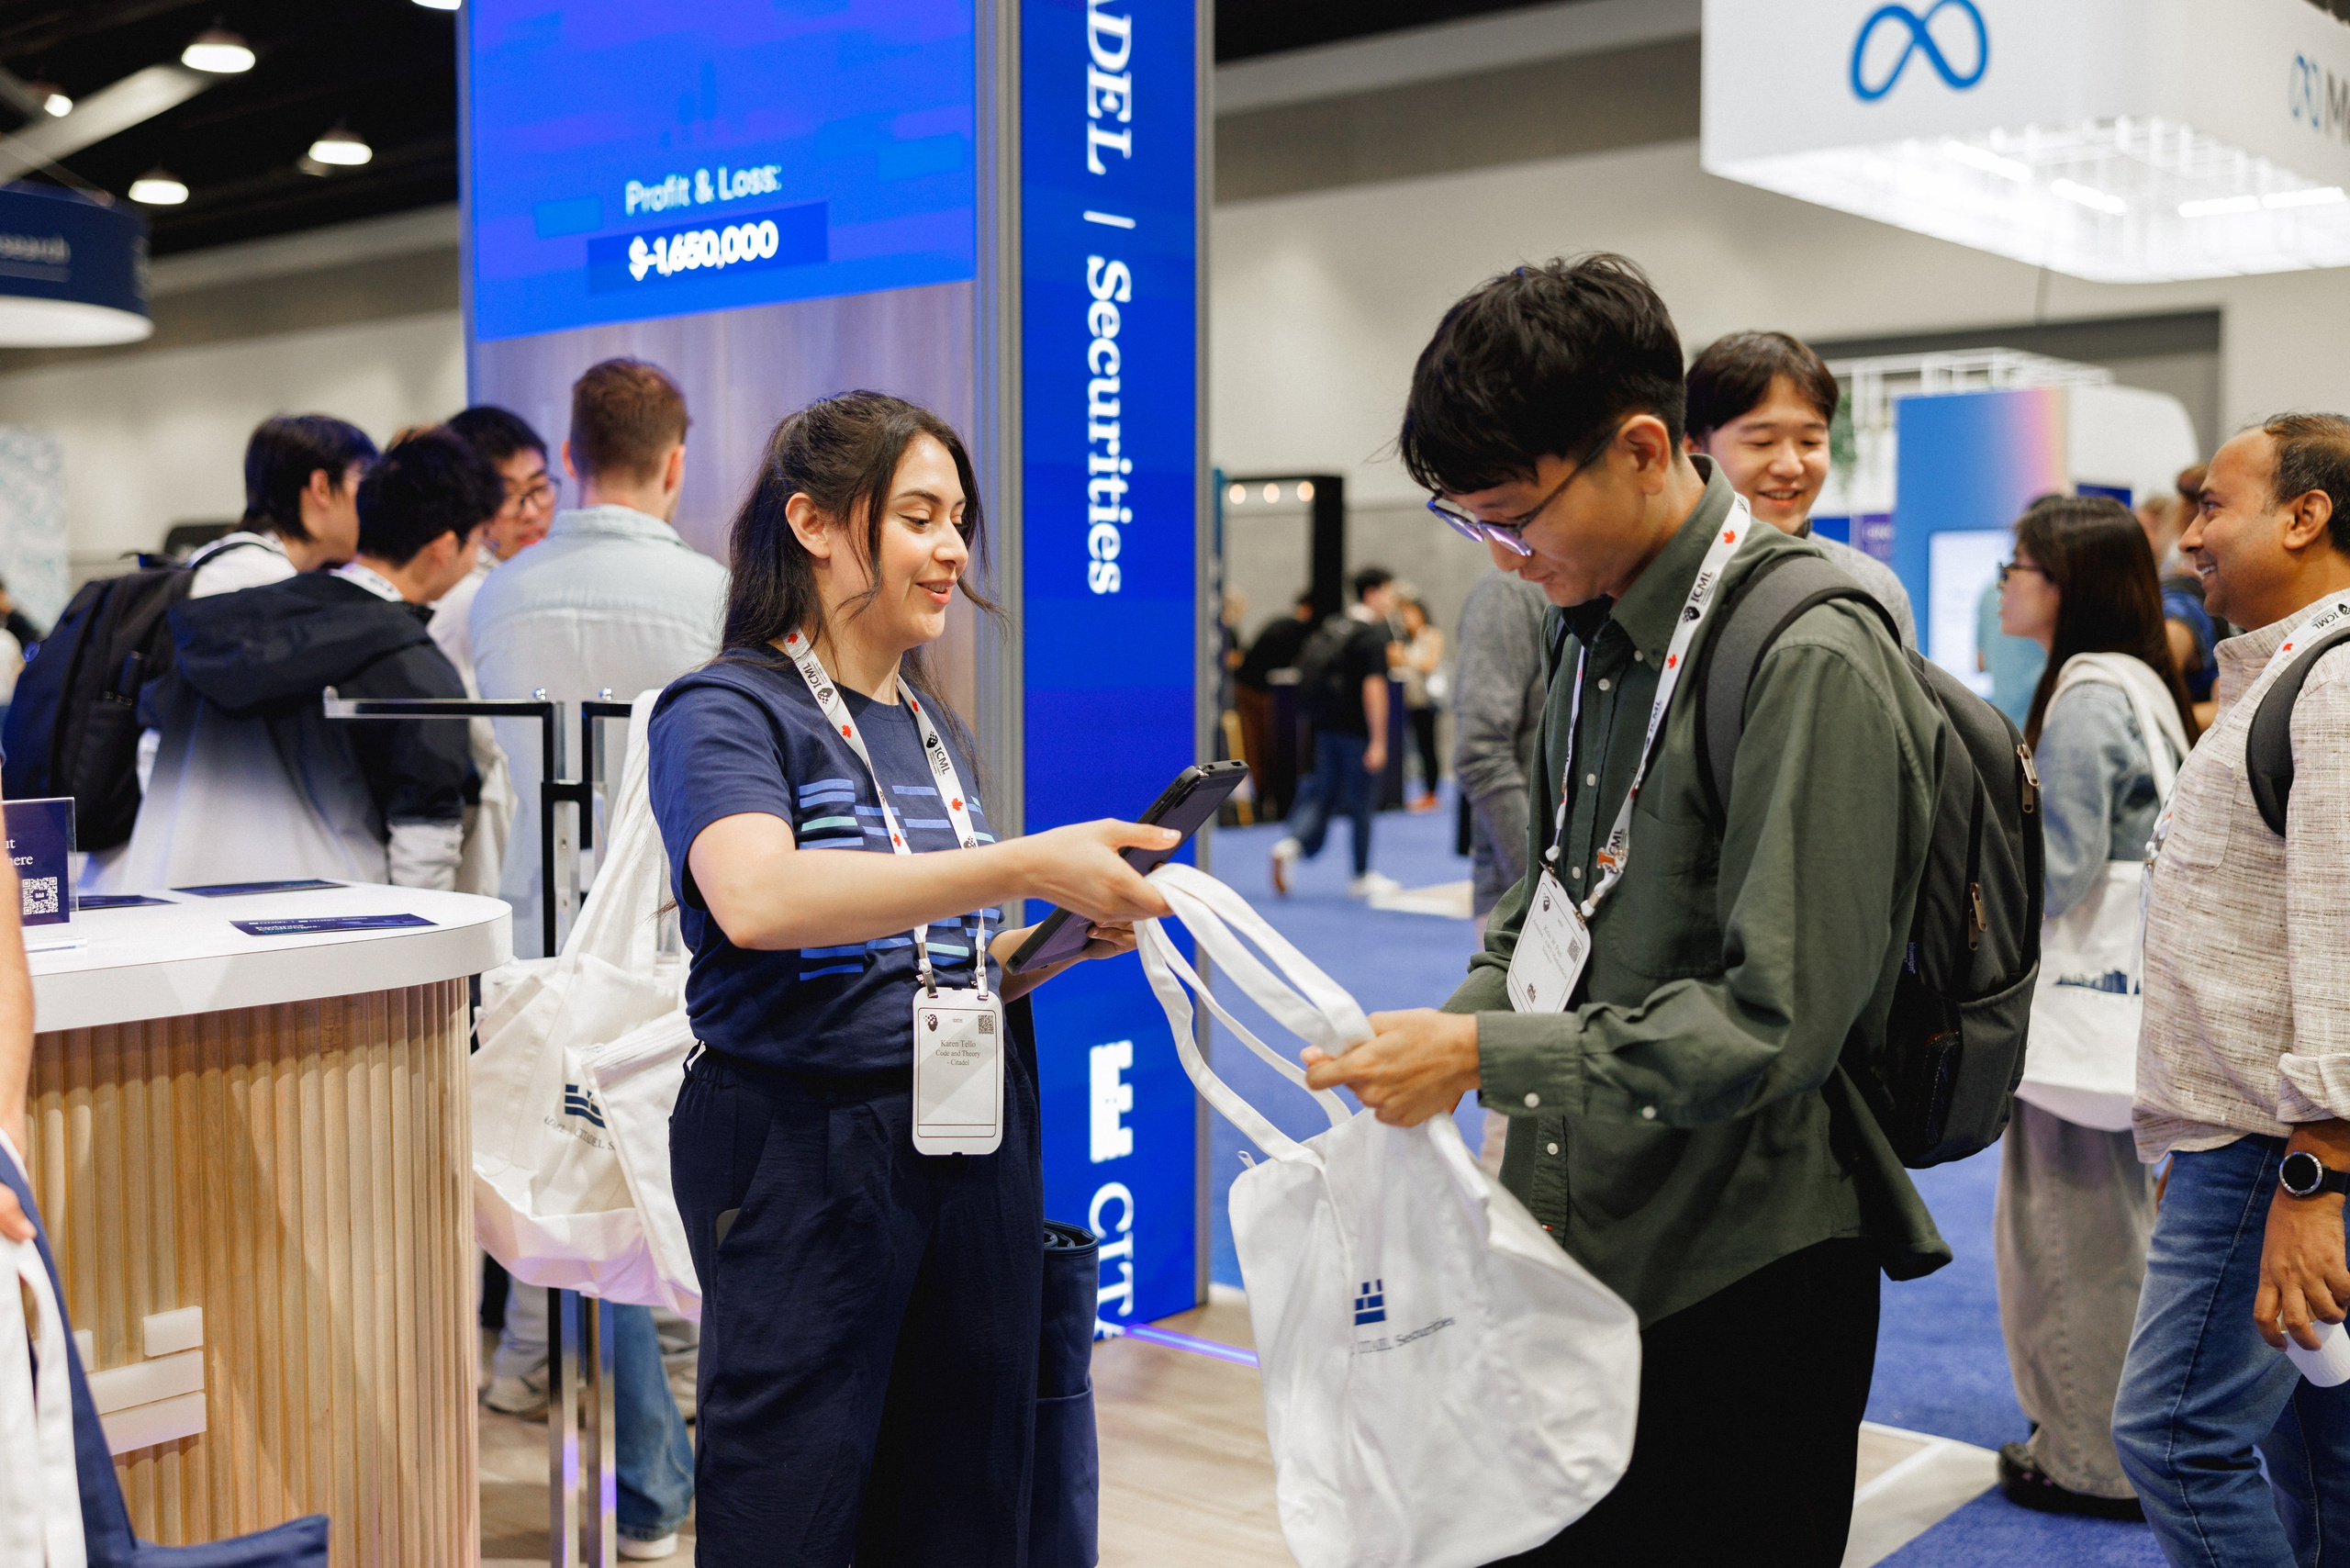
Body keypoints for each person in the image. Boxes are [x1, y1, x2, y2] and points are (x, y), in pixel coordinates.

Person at [1303, 255, 1948, 1564]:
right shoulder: (1582, 631)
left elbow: (1778, 1022)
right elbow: (1550, 900)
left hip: (1742, 1266)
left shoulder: (1808, 653)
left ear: (1643, 449)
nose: (1501, 556)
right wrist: (1447, 1034)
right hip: (1578, 1235)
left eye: (1512, 517)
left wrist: (1483, 1054)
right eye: (1468, 523)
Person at [648, 390, 1176, 1564]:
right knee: (794, 1493)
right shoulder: (726, 709)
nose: (951, 551)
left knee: (963, 1486)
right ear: (817, 524)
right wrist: (1025, 859)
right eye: (919, 518)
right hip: (801, 1147)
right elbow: (761, 898)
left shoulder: (928, 725)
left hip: (961, 1137)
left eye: (958, 520)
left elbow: (918, 950)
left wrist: (1031, 948)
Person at [2113, 413, 2350, 1568]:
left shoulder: (2332, 685)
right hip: (2253, 1141)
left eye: (2213, 506)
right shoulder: (2283, 674)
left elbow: (2342, 942)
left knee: (2174, 1436)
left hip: (2273, 1145)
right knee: (2319, 1445)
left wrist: (2313, 1170)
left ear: (2304, 517)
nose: (2188, 534)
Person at [1988, 496, 2197, 1520]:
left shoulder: (2080, 695)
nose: (2003, 581)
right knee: (2111, 1226)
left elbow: (2058, 873)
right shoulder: (2144, 685)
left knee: (2066, 1231)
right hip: (2130, 1005)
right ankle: (2105, 1438)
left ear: (2064, 582)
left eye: (2017, 564)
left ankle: (2086, 1456)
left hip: (2076, 1011)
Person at [118, 430, 493, 891]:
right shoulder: (414, 666)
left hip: (180, 901)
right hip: (329, 925)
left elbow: (151, 741)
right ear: (442, 546)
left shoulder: (227, 619)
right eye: (478, 543)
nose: (478, 558)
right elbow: (425, 840)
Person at [471, 358, 728, 958]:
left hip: (532, 932)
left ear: (568, 457)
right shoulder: (717, 597)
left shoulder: (496, 593)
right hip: (668, 938)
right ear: (675, 464)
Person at [1684, 330, 1917, 649]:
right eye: (1761, 442)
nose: (1790, 466)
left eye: (1810, 442)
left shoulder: (1868, 585)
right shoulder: (1658, 579)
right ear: (1692, 449)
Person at [1450, 565, 1551, 1176]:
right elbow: (1479, 750)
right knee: (1520, 1100)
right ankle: (1499, 1260)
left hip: (1604, 896)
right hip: (1526, 893)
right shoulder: (1511, 591)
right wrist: (1543, 887)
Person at [1270, 566, 1396, 900]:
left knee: (1323, 794)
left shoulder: (1336, 627)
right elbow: (1374, 690)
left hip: (1325, 728)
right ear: (1372, 593)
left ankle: (1292, 843)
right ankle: (1361, 874)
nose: (1391, 600)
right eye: (1388, 591)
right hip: (1357, 732)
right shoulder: (1371, 636)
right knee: (1362, 803)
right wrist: (1379, 740)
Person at [431, 405, 558, 683]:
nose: (531, 512)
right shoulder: (471, 593)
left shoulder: (516, 577)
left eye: (540, 488)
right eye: (508, 495)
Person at [190, 414, 378, 597]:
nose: (374, 499)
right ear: (322, 488)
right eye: (365, 479)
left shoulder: (246, 562)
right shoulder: (263, 579)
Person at [1233, 591, 1315, 819]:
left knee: (1260, 747)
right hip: (1258, 692)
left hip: (1254, 689)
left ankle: (1264, 799)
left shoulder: (1283, 624)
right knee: (1262, 747)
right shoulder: (1295, 629)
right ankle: (1264, 800)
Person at [1391, 592, 1448, 810]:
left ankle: (1432, 792)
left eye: (1409, 614)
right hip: (1407, 701)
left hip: (1426, 701)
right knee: (1407, 748)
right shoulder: (1403, 639)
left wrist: (1404, 657)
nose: (1406, 620)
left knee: (1427, 746)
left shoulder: (1431, 635)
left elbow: (1428, 663)